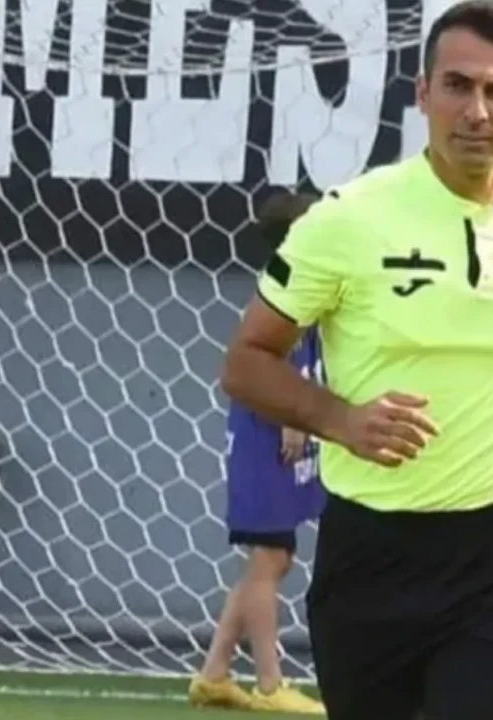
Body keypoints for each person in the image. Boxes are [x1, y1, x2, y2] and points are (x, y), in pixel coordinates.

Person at [220, 1, 493, 717]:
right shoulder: (347, 218)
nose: (478, 111)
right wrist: (342, 420)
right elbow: (247, 362)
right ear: (423, 94)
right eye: (458, 86)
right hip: (372, 553)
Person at [189, 191, 327, 715]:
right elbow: (268, 355)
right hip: (267, 434)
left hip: (276, 430)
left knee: (272, 557)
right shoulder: (286, 284)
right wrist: (291, 416)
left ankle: (214, 674)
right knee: (270, 556)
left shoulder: (305, 279)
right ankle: (270, 684)